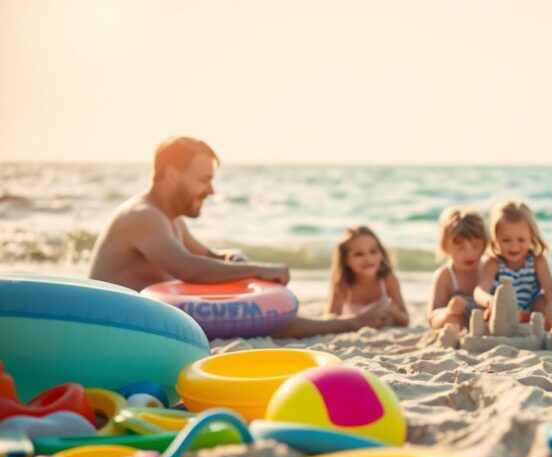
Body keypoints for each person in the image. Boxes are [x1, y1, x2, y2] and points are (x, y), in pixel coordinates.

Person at [88, 136, 388, 337]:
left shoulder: (170, 218)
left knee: (256, 316)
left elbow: (206, 257)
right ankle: (350, 323)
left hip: (149, 324)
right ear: (171, 175)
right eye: (204, 180)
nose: (211, 191)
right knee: (248, 320)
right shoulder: (143, 216)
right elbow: (190, 269)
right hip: (116, 329)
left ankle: (350, 323)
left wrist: (227, 256)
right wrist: (260, 269)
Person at [474, 200, 552, 339]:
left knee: (545, 300)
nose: (514, 246)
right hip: (503, 314)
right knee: (488, 315)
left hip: (531, 315)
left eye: (521, 240)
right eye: (506, 240)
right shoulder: (493, 264)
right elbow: (479, 291)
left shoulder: (537, 262)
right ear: (495, 238)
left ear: (531, 237)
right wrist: (490, 301)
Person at [326, 226, 408, 327]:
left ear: (381, 252)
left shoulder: (387, 278)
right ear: (345, 259)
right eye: (359, 254)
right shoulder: (343, 282)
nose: (368, 259)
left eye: (373, 251)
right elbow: (331, 319)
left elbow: (405, 320)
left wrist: (394, 312)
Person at [427, 206, 487, 329]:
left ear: (485, 244)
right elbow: (432, 318)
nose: (469, 253)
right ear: (445, 247)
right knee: (453, 319)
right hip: (461, 324)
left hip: (486, 323)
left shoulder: (488, 268)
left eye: (475, 246)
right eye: (460, 248)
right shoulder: (446, 276)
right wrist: (449, 311)